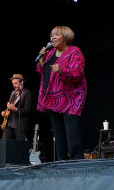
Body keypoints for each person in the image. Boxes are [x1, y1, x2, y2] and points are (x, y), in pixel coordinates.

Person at [37, 26, 87, 160]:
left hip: (71, 98)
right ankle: (61, 162)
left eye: (57, 35)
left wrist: (62, 70)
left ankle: (77, 162)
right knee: (58, 135)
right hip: (53, 98)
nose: (53, 38)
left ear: (65, 38)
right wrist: (42, 60)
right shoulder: (51, 52)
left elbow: (78, 73)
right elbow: (43, 72)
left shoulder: (74, 51)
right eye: (52, 35)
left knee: (72, 133)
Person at [1, 74, 32, 140]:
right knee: (4, 144)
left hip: (20, 125)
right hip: (9, 123)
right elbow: (9, 107)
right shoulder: (12, 93)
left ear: (22, 82)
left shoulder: (27, 93)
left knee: (19, 146)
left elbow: (27, 110)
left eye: (16, 83)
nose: (14, 85)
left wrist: (15, 109)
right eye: (13, 84)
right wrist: (5, 112)